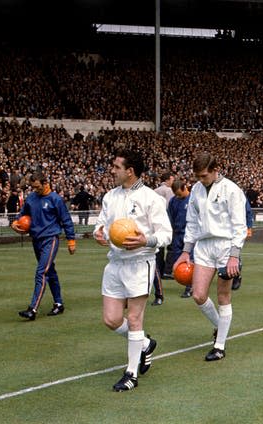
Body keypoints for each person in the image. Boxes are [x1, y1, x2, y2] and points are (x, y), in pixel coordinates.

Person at [93, 149, 172, 391]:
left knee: (135, 319)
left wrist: (144, 241)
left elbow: (166, 234)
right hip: (115, 263)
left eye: (117, 167)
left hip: (140, 263)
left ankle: (131, 373)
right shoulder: (110, 196)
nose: (113, 170)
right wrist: (99, 233)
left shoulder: (151, 198)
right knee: (111, 319)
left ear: (130, 171)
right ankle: (146, 344)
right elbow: (102, 224)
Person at [173, 152, 247, 361]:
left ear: (216, 170)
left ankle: (219, 346)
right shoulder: (196, 190)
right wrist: (185, 251)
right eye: (197, 176)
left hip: (225, 246)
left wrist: (234, 255)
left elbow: (239, 225)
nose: (200, 180)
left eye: (204, 175)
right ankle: (219, 326)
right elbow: (192, 223)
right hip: (204, 247)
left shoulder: (231, 189)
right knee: (198, 295)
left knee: (223, 296)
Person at [11, 172, 76, 320]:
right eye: (33, 187)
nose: (35, 190)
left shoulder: (56, 199)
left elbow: (66, 220)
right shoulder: (32, 198)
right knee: (50, 271)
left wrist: (71, 240)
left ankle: (32, 309)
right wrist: (15, 223)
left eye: (37, 187)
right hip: (36, 239)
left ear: (45, 183)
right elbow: (22, 214)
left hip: (50, 239)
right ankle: (58, 303)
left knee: (41, 271)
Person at [151, 172, 176, 305]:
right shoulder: (169, 191)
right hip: (164, 220)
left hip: (153, 225)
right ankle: (166, 271)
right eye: (172, 179)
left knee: (158, 252)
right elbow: (169, 206)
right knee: (171, 248)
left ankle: (160, 271)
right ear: (167, 180)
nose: (173, 181)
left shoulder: (154, 191)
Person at [167, 179, 192, 298]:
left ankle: (190, 286)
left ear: (185, 188)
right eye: (175, 194)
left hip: (190, 235)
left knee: (191, 259)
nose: (177, 196)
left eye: (179, 193)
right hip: (177, 235)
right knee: (178, 260)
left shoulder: (193, 200)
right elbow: (170, 217)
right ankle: (185, 279)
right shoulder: (173, 201)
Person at [231, 198, 254, 291]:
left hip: (236, 229)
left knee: (234, 253)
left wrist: (249, 227)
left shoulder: (238, 194)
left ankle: (236, 276)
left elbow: (248, 211)